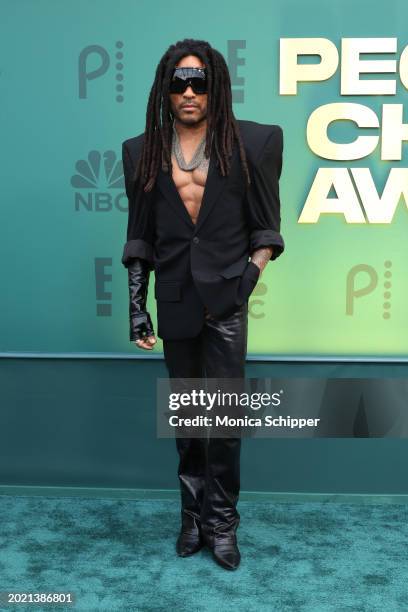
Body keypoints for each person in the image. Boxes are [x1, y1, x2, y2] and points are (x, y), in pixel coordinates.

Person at [121, 38, 285, 570]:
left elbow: (266, 230)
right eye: (178, 82)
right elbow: (140, 237)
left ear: (216, 85)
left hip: (227, 304)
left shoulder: (253, 144)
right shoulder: (140, 151)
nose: (189, 91)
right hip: (174, 301)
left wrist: (246, 283)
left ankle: (222, 524)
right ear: (164, 90)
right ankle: (191, 518)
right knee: (188, 422)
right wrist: (136, 305)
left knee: (224, 423)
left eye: (199, 81)